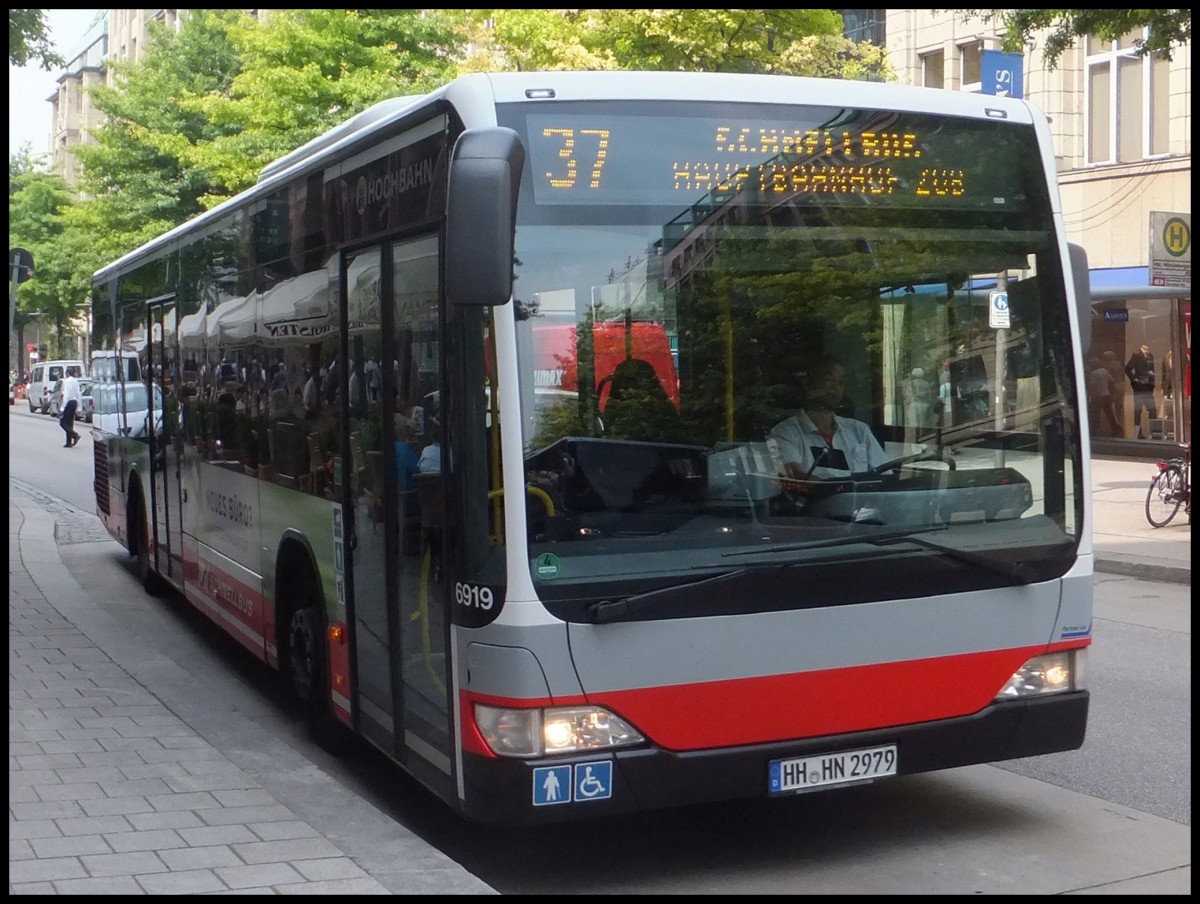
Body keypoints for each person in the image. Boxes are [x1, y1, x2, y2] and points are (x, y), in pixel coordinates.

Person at [768, 355, 886, 480]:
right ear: (808, 384)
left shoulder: (859, 430)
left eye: (840, 382)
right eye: (829, 381)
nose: (836, 388)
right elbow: (794, 477)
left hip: (862, 499)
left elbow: (883, 475)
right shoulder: (784, 433)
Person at [1124, 344, 1157, 438]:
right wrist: (1134, 379)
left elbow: (1152, 370)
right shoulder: (1136, 356)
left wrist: (1152, 382)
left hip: (1148, 387)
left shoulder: (1150, 356)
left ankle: (1153, 432)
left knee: (1152, 409)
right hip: (1139, 387)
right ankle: (1138, 433)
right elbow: (1127, 369)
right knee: (1138, 411)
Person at [1086, 355, 1120, 437]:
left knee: (1095, 414)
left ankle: (1095, 430)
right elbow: (1111, 381)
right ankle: (1115, 428)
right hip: (1106, 395)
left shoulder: (1093, 374)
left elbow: (1092, 385)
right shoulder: (1105, 371)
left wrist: (1089, 392)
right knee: (1109, 413)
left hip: (1097, 397)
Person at [59, 371, 83, 448]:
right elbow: (78, 394)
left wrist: (62, 408)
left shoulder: (66, 382)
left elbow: (66, 395)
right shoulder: (76, 382)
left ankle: (75, 435)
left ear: (67, 374)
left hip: (68, 403)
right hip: (74, 402)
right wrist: (79, 408)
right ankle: (68, 442)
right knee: (70, 422)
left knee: (62, 422)